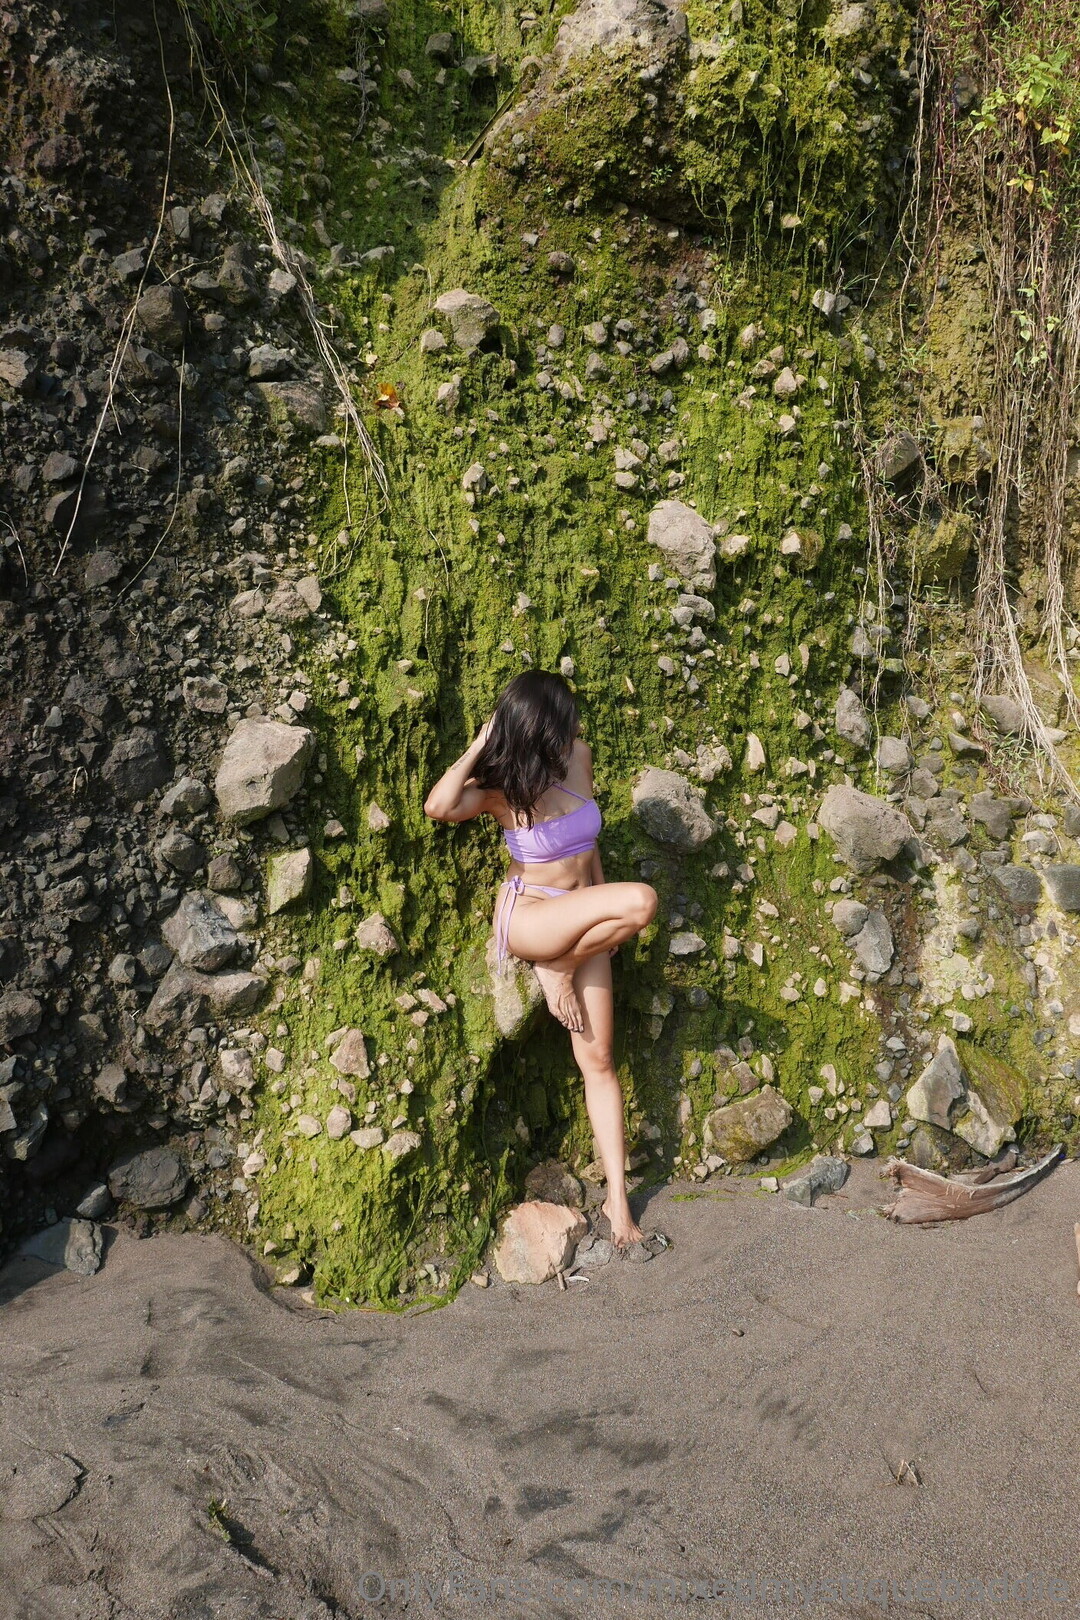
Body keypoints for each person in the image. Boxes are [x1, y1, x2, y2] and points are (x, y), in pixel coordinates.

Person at [423, 670, 660, 1255]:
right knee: (642, 901)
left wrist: (597, 922)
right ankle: (554, 967)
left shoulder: (579, 757)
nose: (575, 726)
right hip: (532, 918)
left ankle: (618, 1203)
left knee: (599, 1059)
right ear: (540, 726)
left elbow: (590, 845)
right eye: (564, 718)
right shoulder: (501, 787)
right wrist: (481, 743)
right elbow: (438, 806)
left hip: (583, 925)